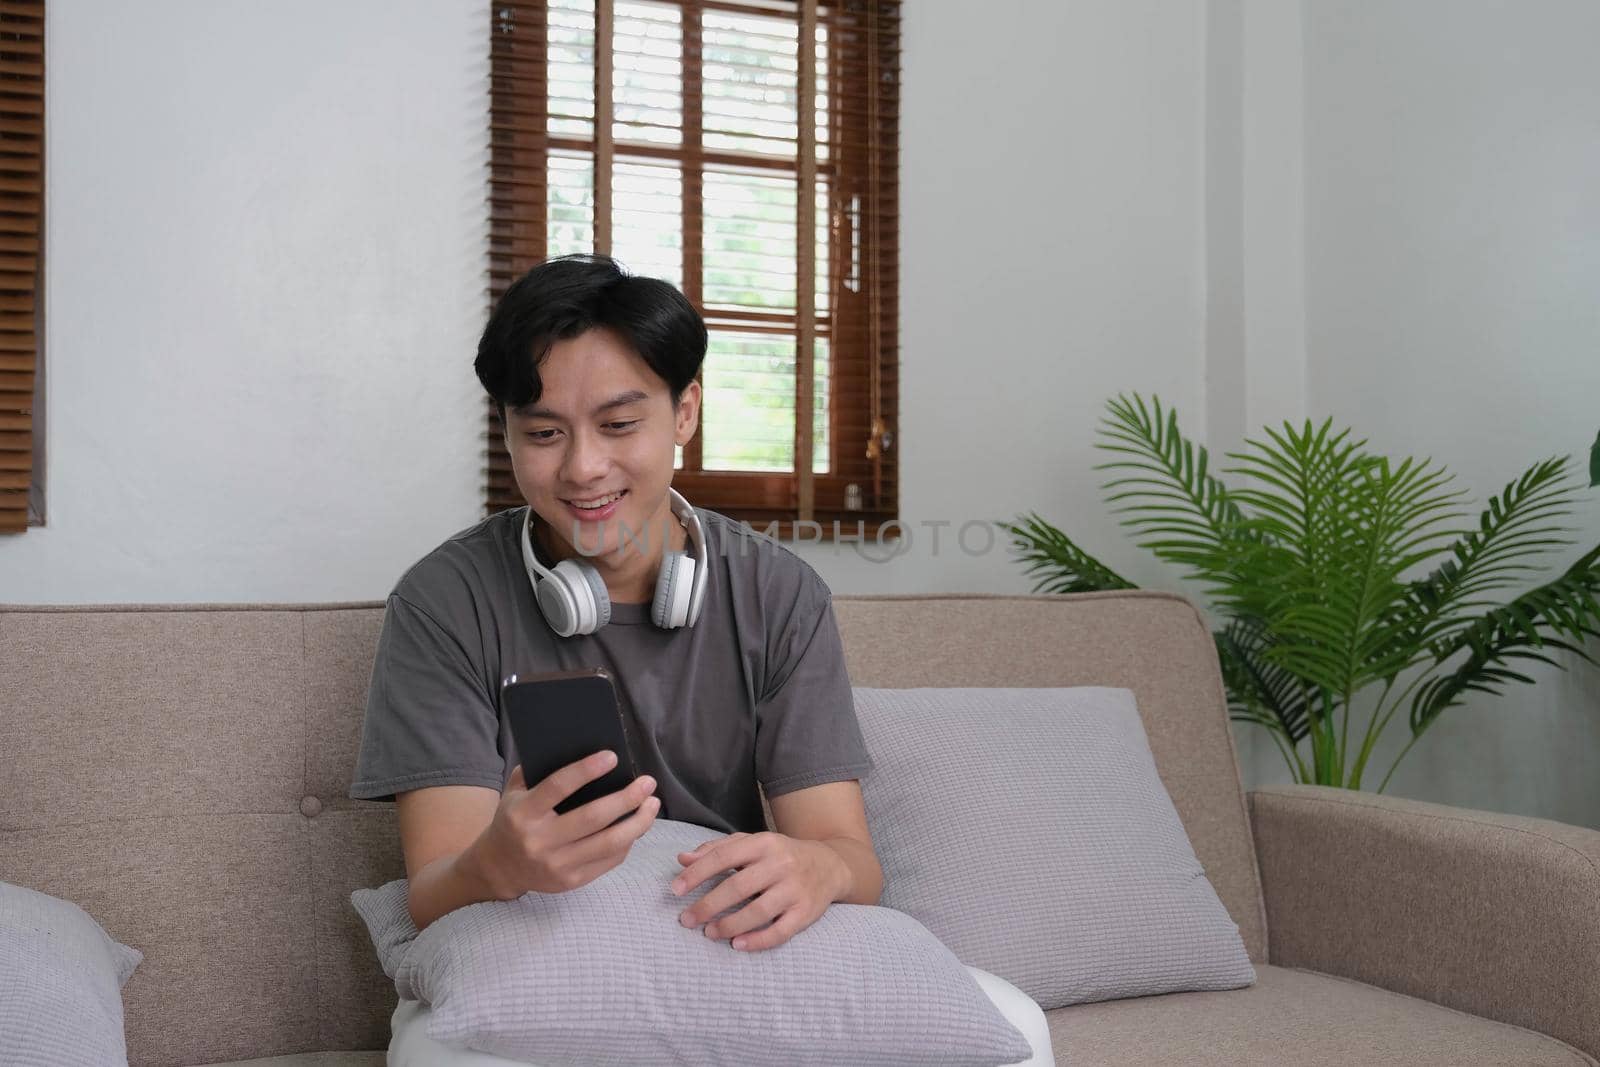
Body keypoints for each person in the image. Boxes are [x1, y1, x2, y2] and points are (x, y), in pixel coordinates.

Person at [351, 254, 1054, 1067]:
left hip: (725, 954)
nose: (582, 467)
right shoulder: (445, 600)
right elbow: (435, 893)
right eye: (544, 433)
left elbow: (853, 861)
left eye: (619, 425)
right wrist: (498, 861)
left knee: (1018, 1031)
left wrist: (814, 866)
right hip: (529, 965)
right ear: (507, 430)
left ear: (685, 411)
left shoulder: (779, 593)